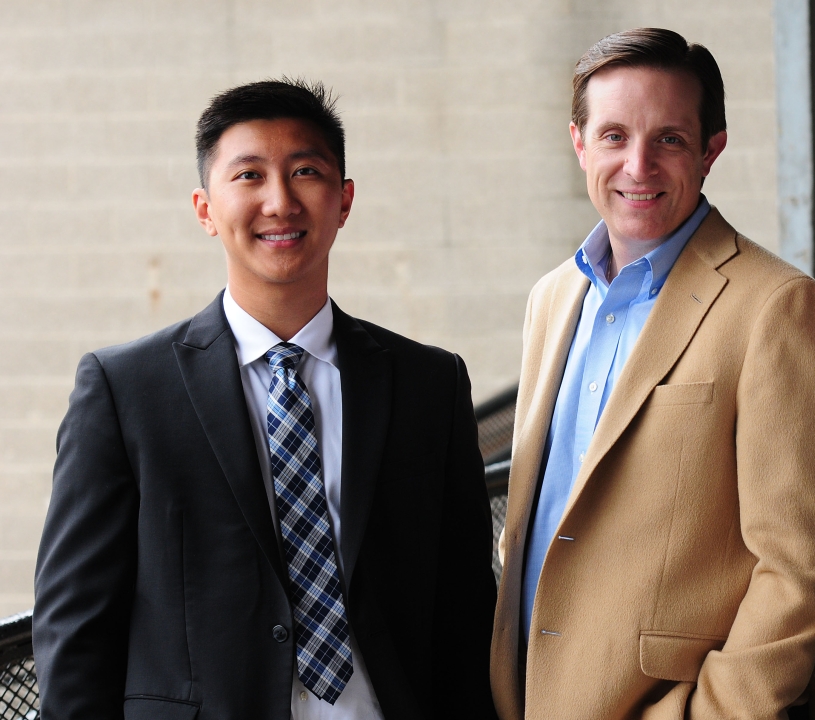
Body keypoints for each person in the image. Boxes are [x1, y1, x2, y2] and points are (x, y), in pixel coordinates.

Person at [33, 79, 498, 720]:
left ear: (343, 200)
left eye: (305, 172)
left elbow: (466, 607)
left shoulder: (428, 384)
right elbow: (75, 625)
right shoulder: (125, 390)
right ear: (204, 209)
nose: (279, 202)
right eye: (248, 175)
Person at [490, 28, 815, 720]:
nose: (638, 165)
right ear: (578, 143)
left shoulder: (779, 309)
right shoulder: (552, 299)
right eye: (613, 136)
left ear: (711, 149)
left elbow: (808, 570)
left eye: (668, 139)